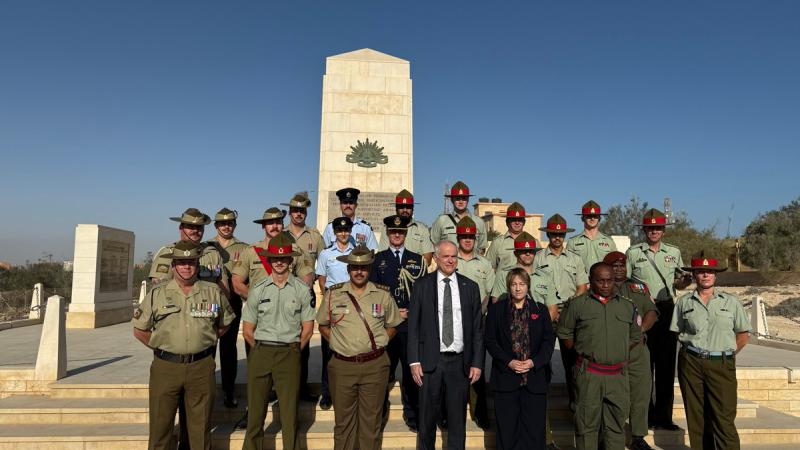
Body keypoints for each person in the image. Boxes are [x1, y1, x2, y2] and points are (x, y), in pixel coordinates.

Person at [132, 240, 234, 450]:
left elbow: (225, 324)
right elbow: (140, 330)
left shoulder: (213, 291)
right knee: (161, 428)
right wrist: (163, 345)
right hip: (166, 368)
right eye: (181, 262)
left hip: (201, 367)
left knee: (200, 430)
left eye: (191, 262)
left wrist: (206, 339)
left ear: (198, 264)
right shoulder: (157, 294)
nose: (186, 266)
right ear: (173, 265)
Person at [148, 208, 228, 447]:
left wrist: (210, 334)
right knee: (169, 410)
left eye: (199, 227)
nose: (195, 231)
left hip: (203, 335)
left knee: (197, 413)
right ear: (181, 228)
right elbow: (158, 289)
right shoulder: (167, 252)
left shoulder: (212, 254)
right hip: (173, 340)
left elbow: (222, 286)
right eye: (190, 227)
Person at [230, 207, 315, 428]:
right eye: (270, 223)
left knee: (293, 367)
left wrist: (293, 298)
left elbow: (306, 277)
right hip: (260, 320)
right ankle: (252, 414)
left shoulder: (294, 250)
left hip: (289, 319)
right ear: (263, 226)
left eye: (278, 222)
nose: (275, 226)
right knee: (256, 369)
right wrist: (258, 300)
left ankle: (289, 414)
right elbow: (237, 281)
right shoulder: (251, 251)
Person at [316, 246, 402, 450]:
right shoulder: (334, 294)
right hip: (342, 366)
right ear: (348, 268)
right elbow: (323, 325)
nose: (359, 271)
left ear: (369, 268)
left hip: (375, 366)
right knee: (343, 424)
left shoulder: (382, 295)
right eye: (355, 267)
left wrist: (378, 343)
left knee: (370, 424)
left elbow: (393, 325)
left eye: (363, 267)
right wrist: (340, 342)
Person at [408, 240, 484, 450]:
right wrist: (414, 360)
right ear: (437, 258)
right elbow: (413, 325)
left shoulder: (471, 287)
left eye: (454, 256)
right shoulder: (422, 285)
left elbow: (477, 329)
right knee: (426, 420)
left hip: (459, 364)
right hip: (430, 363)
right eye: (446, 256)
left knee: (457, 421)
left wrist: (477, 362)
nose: (450, 260)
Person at [557, 263, 642, 450]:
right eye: (600, 280)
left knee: (616, 427)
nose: (605, 285)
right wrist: (584, 350)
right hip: (589, 375)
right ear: (590, 280)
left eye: (609, 280)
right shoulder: (577, 304)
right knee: (586, 426)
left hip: (617, 377)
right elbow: (565, 334)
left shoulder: (627, 306)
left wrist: (615, 350)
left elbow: (636, 336)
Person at [671, 252, 750, 450]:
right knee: (696, 417)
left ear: (715, 276)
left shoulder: (730, 302)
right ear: (694, 275)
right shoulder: (684, 303)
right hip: (691, 363)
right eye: (700, 271)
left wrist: (726, 354)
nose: (705, 275)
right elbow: (677, 332)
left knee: (724, 417)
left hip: (721, 364)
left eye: (709, 271)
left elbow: (742, 334)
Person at [626, 208, 692, 430]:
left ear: (663, 230)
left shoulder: (673, 252)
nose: (654, 231)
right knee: (644, 367)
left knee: (665, 368)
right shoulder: (633, 253)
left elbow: (679, 283)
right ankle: (645, 416)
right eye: (650, 228)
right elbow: (626, 282)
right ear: (644, 230)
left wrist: (685, 282)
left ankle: (664, 417)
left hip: (667, 310)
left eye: (658, 228)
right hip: (643, 311)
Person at [485, 268, 555, 450]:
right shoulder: (496, 311)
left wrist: (534, 362)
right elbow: (490, 340)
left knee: (534, 431)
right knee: (507, 430)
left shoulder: (540, 309)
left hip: (534, 379)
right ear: (508, 286)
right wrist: (508, 361)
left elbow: (548, 342)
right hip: (506, 378)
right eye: (514, 284)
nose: (518, 288)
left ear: (528, 286)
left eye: (522, 284)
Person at [369, 214, 426, 431]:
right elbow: (373, 295)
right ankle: (380, 413)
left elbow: (423, 292)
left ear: (405, 234)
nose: (396, 235)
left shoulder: (417, 259)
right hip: (387, 327)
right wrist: (389, 314)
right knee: (384, 372)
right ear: (387, 234)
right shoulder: (378, 259)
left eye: (400, 232)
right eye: (393, 232)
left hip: (411, 327)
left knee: (412, 374)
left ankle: (412, 414)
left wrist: (412, 312)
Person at [604, 251, 659, 450]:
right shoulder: (601, 286)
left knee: (641, 394)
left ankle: (637, 436)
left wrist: (640, 330)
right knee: (613, 394)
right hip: (611, 351)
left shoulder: (638, 287)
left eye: (621, 265)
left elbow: (651, 312)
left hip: (637, 351)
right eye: (614, 266)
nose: (619, 269)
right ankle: (613, 434)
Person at [535, 213, 588, 410]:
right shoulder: (538, 258)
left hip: (569, 313)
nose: (557, 237)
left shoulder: (575, 259)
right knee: (541, 360)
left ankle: (575, 404)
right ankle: (541, 403)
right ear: (548, 234)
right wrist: (550, 308)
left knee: (572, 360)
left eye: (560, 234)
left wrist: (569, 308)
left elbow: (582, 287)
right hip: (544, 314)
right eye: (553, 234)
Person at [282, 192, 326, 401]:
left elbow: (324, 261)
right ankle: (279, 386)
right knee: (282, 341)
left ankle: (301, 386)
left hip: (305, 295)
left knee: (304, 342)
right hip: (282, 296)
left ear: (306, 212)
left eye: (302, 210)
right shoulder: (280, 235)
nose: (298, 214)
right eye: (295, 210)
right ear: (290, 212)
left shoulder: (315, 236)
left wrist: (314, 278)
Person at [453, 216, 493, 428]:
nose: (468, 240)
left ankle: (480, 412)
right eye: (464, 237)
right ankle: (451, 412)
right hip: (453, 321)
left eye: (471, 237)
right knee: (452, 367)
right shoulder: (451, 260)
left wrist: (478, 315)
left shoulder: (485, 264)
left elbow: (488, 294)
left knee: (478, 366)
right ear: (458, 238)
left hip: (478, 321)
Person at [207, 207, 249, 407]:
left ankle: (228, 390)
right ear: (216, 226)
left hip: (231, 302)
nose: (226, 226)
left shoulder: (244, 247)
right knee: (207, 347)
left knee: (228, 348)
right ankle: (205, 391)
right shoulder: (206, 247)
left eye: (230, 223)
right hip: (208, 302)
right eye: (222, 223)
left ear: (234, 225)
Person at [315, 216, 356, 410]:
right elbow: (322, 279)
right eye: (340, 230)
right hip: (332, 305)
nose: (343, 233)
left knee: (350, 351)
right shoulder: (325, 254)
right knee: (329, 352)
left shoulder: (356, 252)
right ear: (334, 232)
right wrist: (330, 299)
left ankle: (347, 391)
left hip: (352, 306)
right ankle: (327, 393)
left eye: (346, 230)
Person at [378, 189, 434, 267]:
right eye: (401, 207)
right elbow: (383, 255)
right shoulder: (387, 228)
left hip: (415, 274)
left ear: (413, 208)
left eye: (408, 207)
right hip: (391, 272)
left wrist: (409, 267)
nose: (405, 210)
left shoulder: (422, 229)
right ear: (396, 208)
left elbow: (427, 259)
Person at [430, 181, 488, 253]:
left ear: (468, 199)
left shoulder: (479, 222)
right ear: (452, 199)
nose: (461, 201)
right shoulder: (442, 220)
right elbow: (433, 245)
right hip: (449, 263)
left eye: (464, 198)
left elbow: (482, 249)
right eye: (457, 198)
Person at [567, 200, 617, 271]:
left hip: (603, 281)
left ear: (599, 218)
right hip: (582, 281)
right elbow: (569, 266)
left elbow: (615, 264)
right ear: (582, 218)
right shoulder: (573, 242)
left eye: (595, 216)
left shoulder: (609, 241)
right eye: (589, 216)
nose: (592, 218)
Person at [485, 202, 535, 270]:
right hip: (503, 280)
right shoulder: (497, 243)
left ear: (524, 222)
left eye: (520, 220)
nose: (517, 223)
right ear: (507, 222)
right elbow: (488, 268)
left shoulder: (534, 242)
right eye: (513, 219)